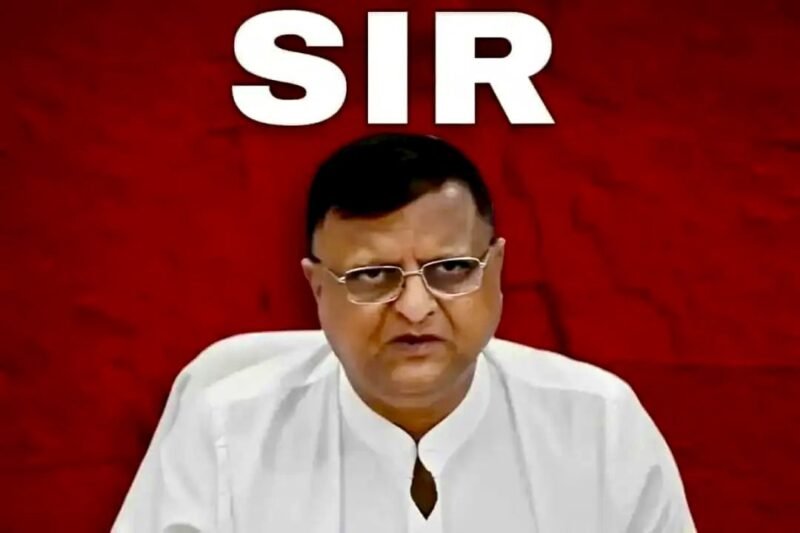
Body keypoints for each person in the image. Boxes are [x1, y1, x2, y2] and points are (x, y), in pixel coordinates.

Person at [112, 133, 696, 532]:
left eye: (451, 269)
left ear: (495, 271)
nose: (415, 308)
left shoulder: (598, 426)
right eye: (372, 276)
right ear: (317, 289)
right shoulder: (226, 429)